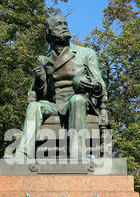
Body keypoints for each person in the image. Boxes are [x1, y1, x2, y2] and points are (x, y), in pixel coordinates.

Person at [15, 15, 106, 160]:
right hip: (55, 104)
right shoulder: (44, 59)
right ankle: (23, 153)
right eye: (58, 24)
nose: (64, 26)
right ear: (49, 31)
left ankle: (77, 153)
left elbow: (100, 83)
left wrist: (91, 85)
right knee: (33, 106)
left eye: (65, 23)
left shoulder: (86, 53)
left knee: (77, 100)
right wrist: (40, 81)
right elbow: (40, 93)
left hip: (78, 101)